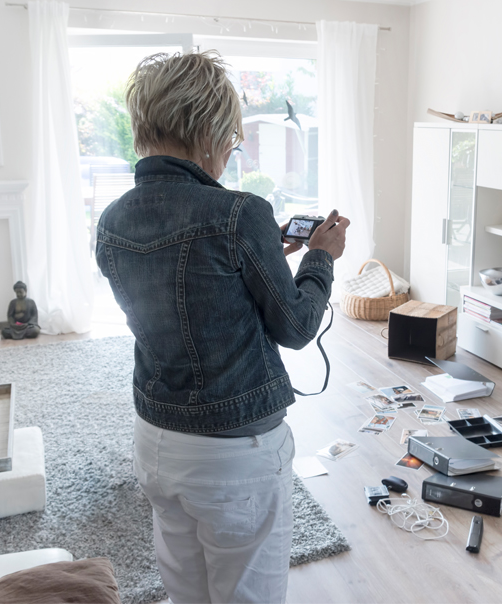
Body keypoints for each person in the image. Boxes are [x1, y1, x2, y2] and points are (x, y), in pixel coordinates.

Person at [96, 51, 348, 604]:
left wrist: (258, 252)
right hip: (234, 456)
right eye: (231, 137)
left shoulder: (112, 219)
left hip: (156, 442)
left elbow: (178, 295)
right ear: (208, 127)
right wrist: (319, 258)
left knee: (186, 591)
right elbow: (297, 326)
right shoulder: (239, 213)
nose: (232, 150)